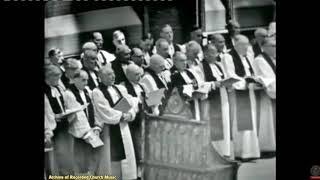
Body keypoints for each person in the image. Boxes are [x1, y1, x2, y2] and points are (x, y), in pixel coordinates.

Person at [92, 65, 139, 179]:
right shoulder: (97, 92)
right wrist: (122, 115)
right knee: (112, 161)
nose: (112, 76)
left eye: (113, 73)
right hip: (110, 129)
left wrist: (130, 114)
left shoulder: (119, 88)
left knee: (127, 157)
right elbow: (105, 111)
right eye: (108, 74)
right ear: (100, 77)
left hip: (124, 126)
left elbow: (132, 102)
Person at [222, 34, 261, 161]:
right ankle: (240, 152)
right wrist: (246, 82)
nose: (246, 47)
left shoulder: (247, 57)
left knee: (251, 121)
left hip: (249, 92)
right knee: (240, 122)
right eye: (244, 45)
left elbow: (250, 72)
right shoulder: (228, 56)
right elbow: (230, 74)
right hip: (238, 92)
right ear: (236, 44)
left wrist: (255, 80)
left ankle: (251, 151)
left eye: (247, 44)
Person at [63, 69, 103, 175]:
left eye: (87, 80)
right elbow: (77, 116)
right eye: (83, 80)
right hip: (80, 134)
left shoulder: (87, 91)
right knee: (81, 165)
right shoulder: (68, 94)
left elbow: (94, 109)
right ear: (74, 80)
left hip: (92, 131)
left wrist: (97, 127)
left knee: (93, 162)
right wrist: (86, 133)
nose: (86, 83)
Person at [44, 64, 75, 175]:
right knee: (58, 158)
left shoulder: (57, 87)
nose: (58, 80)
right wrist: (54, 117)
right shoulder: (45, 91)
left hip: (64, 126)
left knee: (68, 156)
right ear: (48, 77)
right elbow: (46, 112)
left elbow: (63, 103)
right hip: (53, 129)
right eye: (56, 77)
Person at [201, 44, 231, 157]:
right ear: (205, 54)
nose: (216, 55)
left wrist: (228, 83)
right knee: (214, 125)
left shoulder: (219, 65)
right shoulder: (200, 67)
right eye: (213, 52)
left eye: (216, 52)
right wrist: (213, 84)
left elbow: (224, 78)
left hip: (223, 97)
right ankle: (214, 153)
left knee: (225, 124)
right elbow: (200, 84)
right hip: (211, 99)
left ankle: (225, 152)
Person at [120, 64, 146, 179]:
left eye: (140, 73)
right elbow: (123, 107)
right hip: (132, 123)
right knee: (137, 149)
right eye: (136, 74)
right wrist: (137, 104)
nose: (139, 76)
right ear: (128, 75)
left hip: (144, 120)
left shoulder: (141, 85)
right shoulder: (123, 87)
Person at [252, 38, 276, 157]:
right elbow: (268, 77)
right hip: (266, 94)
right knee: (267, 121)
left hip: (272, 92)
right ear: (265, 47)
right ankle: (268, 147)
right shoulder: (260, 60)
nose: (275, 48)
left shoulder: (272, 59)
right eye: (273, 46)